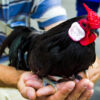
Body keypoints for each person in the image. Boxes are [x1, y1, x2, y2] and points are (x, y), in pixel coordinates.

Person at [0, 0, 100, 100]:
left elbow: (58, 24)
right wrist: (18, 78)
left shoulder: (85, 47)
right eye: (86, 26)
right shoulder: (49, 55)